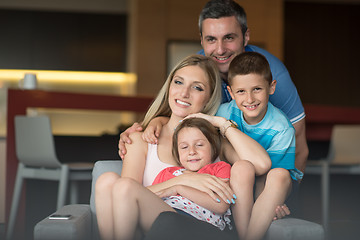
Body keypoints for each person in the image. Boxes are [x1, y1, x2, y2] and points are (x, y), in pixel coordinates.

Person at [118, 0, 308, 176]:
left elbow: (298, 145)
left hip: (263, 171)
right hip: (223, 173)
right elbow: (180, 107)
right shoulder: (198, 70)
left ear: (246, 36)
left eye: (229, 38)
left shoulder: (271, 74)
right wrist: (152, 124)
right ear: (201, 40)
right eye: (211, 39)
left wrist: (283, 197)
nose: (219, 49)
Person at [95, 54, 270, 240]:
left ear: (209, 97)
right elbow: (123, 194)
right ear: (169, 87)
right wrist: (183, 182)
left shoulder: (214, 140)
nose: (184, 93)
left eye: (197, 87)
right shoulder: (142, 138)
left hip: (198, 228)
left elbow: (261, 163)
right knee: (106, 181)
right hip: (150, 223)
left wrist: (220, 123)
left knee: (122, 187)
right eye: (178, 82)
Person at [191, 51, 303, 240]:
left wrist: (267, 207)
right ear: (231, 92)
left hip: (272, 184)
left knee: (278, 174)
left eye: (257, 89)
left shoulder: (281, 128)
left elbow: (267, 177)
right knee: (242, 167)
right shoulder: (223, 113)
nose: (249, 99)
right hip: (239, 181)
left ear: (271, 87)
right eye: (241, 91)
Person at [109, 118, 235, 240]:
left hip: (198, 225)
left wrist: (177, 188)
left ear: (213, 148)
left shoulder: (219, 168)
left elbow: (221, 206)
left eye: (199, 145)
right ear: (177, 152)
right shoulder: (169, 173)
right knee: (121, 187)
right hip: (164, 217)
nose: (192, 151)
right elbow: (144, 196)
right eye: (184, 147)